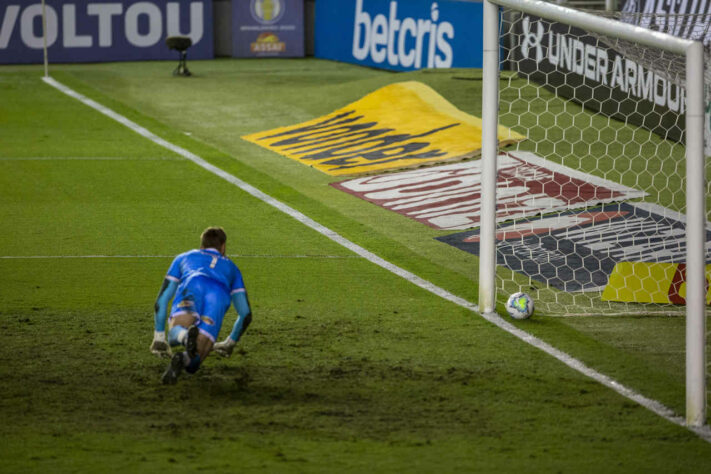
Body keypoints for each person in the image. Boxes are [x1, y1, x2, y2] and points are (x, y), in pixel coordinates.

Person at [149, 226, 252, 384]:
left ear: (202, 244)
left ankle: (184, 337)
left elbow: (162, 299)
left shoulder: (184, 257)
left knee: (174, 333)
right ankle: (181, 359)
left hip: (193, 284)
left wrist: (159, 336)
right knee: (194, 363)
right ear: (223, 246)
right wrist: (230, 342)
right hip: (217, 295)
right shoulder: (233, 268)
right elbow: (245, 313)